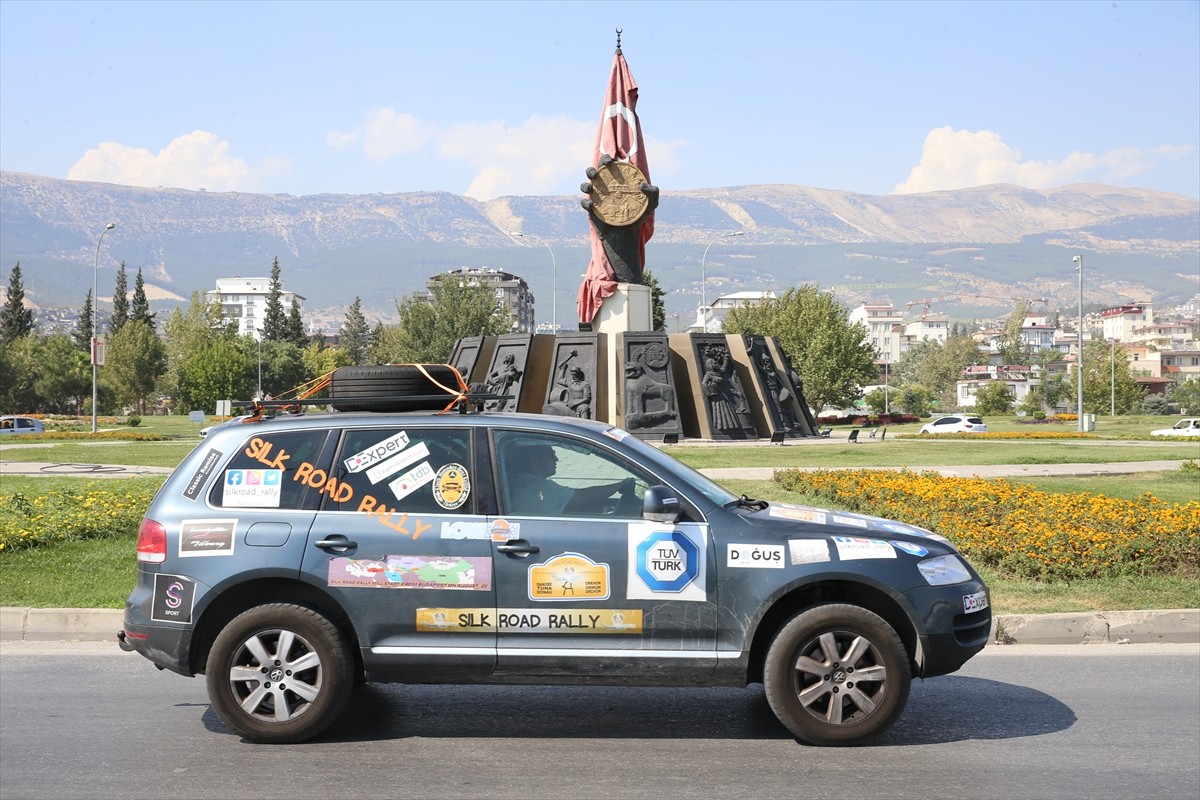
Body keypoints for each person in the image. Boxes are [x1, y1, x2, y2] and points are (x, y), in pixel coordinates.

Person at [507, 443, 634, 516]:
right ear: (535, 460)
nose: (556, 459)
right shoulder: (535, 487)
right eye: (551, 455)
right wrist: (621, 485)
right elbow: (585, 497)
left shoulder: (521, 482)